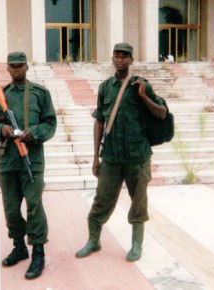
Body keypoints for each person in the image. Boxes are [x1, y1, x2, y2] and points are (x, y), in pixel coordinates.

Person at [75, 43, 167, 262]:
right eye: (116, 55)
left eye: (124, 56)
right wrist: (95, 156)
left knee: (138, 201)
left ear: (131, 60)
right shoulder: (105, 87)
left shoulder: (141, 84)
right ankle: (93, 240)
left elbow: (162, 113)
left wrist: (144, 97)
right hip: (112, 157)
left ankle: (137, 244)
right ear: (112, 58)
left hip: (137, 156)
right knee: (101, 200)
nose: (120, 59)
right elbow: (99, 122)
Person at [0, 52, 57, 279]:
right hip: (8, 159)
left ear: (27, 67)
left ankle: (38, 252)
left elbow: (50, 123)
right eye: (12, 66)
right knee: (10, 207)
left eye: (20, 66)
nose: (16, 69)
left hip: (32, 159)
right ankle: (19, 246)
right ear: (8, 68)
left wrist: (33, 133)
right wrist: (2, 130)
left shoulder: (40, 93)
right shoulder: (1, 96)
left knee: (34, 205)